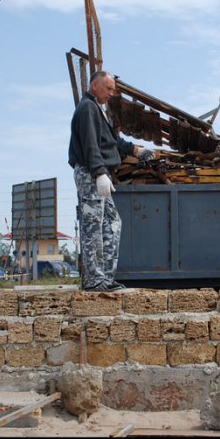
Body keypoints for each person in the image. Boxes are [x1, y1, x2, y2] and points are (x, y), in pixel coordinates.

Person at [68, 70, 155, 291]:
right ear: (95, 85)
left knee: (112, 223)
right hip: (91, 173)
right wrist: (99, 173)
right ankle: (93, 280)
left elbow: (111, 141)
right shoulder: (87, 108)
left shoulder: (97, 109)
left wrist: (136, 149)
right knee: (93, 225)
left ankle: (104, 277)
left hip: (98, 173)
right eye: (108, 88)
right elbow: (90, 144)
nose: (111, 93)